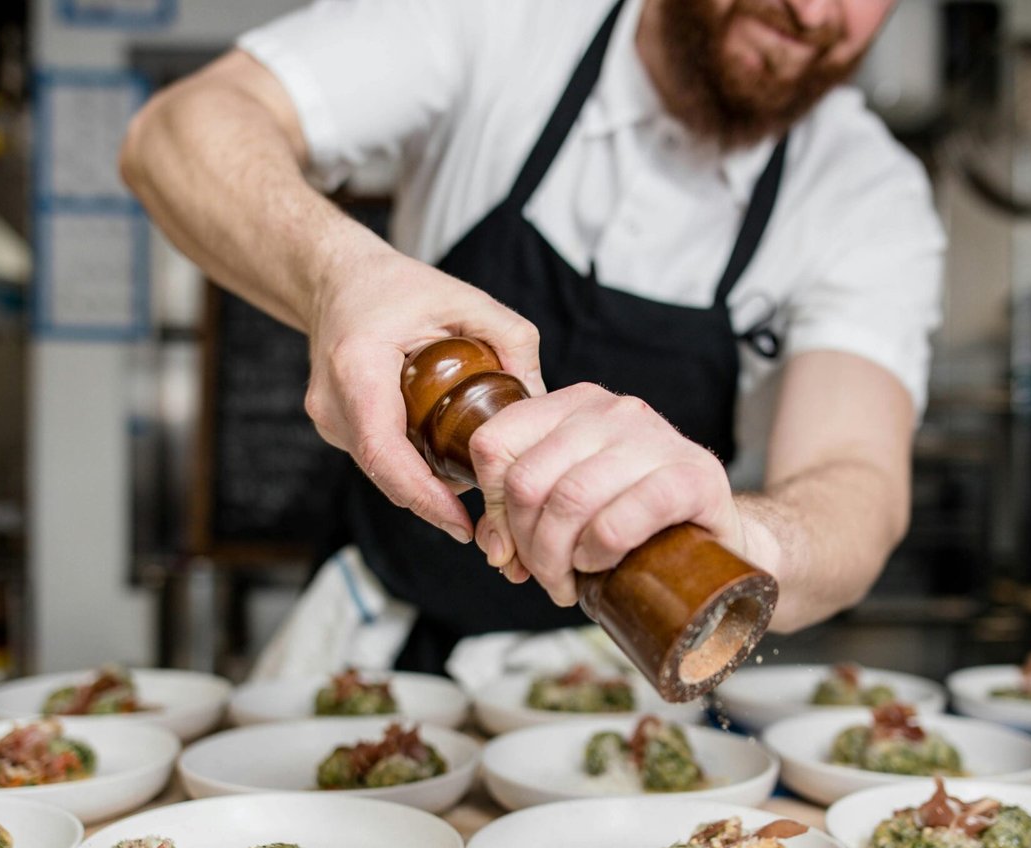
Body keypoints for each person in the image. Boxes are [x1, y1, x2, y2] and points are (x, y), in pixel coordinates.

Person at [120, 0, 943, 672]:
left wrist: (743, 535)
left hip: (618, 680)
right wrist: (341, 275)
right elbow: (174, 132)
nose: (813, 12)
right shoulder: (504, 20)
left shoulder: (867, 191)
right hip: (381, 640)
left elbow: (856, 482)